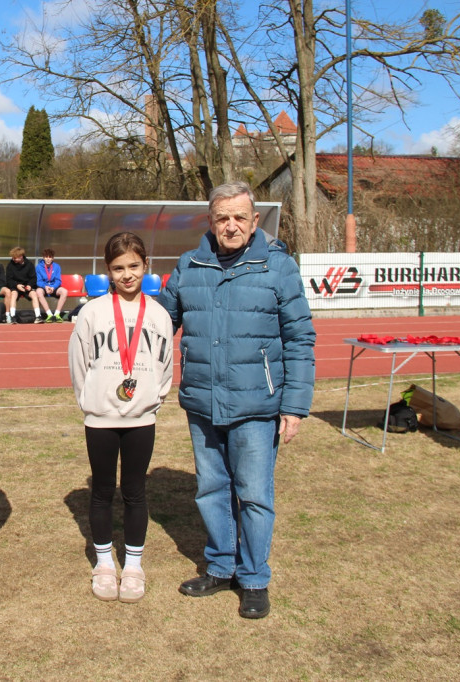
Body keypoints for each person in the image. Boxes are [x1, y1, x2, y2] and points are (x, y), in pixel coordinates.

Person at [158, 181, 315, 619]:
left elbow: (300, 338)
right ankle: (221, 565)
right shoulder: (189, 265)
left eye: (239, 217)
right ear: (211, 221)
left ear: (254, 221)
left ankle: (254, 578)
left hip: (258, 406)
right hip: (203, 402)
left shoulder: (279, 267)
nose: (230, 225)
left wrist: (295, 405)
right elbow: (158, 324)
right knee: (211, 490)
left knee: (254, 494)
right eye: (222, 217)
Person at [68, 232, 173, 603]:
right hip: (101, 418)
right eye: (118, 268)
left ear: (146, 266)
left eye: (133, 266)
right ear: (107, 272)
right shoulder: (92, 313)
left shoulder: (159, 314)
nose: (127, 274)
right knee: (101, 491)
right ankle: (103, 564)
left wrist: (151, 400)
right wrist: (90, 400)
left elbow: (166, 367)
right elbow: (79, 363)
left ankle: (133, 566)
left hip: (141, 418)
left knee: (134, 491)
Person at [6, 246, 41, 324]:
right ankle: (13, 316)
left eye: (15, 258)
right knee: (13, 294)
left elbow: (33, 278)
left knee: (34, 294)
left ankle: (38, 316)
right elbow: (8, 280)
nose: (13, 259)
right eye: (13, 257)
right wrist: (16, 285)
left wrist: (29, 285)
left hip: (26, 287)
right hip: (15, 286)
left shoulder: (29, 264)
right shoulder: (10, 265)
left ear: (21, 257)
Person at [36, 248, 69, 322]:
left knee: (64, 291)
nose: (48, 259)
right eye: (46, 257)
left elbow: (58, 280)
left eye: (50, 257)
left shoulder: (57, 266)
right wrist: (45, 287)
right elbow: (38, 281)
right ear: (43, 258)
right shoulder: (38, 267)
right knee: (38, 291)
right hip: (44, 287)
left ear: (52, 258)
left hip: (54, 287)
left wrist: (53, 287)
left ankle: (57, 314)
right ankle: (49, 315)